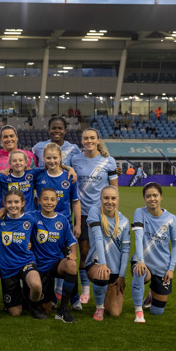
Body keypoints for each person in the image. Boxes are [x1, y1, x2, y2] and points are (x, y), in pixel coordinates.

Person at [68, 128, 118, 308]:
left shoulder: (108, 161)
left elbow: (114, 190)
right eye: (85, 138)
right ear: (82, 141)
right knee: (84, 252)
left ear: (98, 140)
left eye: (92, 138)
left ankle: (107, 289)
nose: (89, 141)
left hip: (102, 213)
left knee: (103, 252)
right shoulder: (75, 159)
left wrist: (114, 216)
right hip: (81, 213)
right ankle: (86, 290)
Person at [131, 182, 176, 323]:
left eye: (155, 195)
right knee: (139, 271)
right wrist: (140, 260)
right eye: (148, 196)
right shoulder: (139, 213)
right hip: (143, 262)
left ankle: (151, 294)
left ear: (161, 197)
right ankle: (139, 312)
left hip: (162, 266)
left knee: (157, 312)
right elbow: (138, 237)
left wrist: (171, 269)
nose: (152, 199)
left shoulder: (171, 218)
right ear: (144, 198)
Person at [32, 188, 79, 323]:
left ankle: (63, 310)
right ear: (39, 201)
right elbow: (16, 216)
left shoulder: (62, 219)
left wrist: (73, 253)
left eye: (52, 199)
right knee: (46, 310)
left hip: (54, 264)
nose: (49, 202)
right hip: (38, 266)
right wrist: (3, 210)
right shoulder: (33, 216)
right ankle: (43, 295)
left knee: (71, 265)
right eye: (45, 199)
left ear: (57, 201)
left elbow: (71, 241)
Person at [0, 189, 45, 319]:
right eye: (10, 202)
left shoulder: (30, 219)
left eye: (16, 202)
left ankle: (34, 306)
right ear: (4, 204)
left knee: (36, 285)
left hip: (25, 262)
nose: (13, 205)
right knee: (15, 313)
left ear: (23, 203)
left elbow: (40, 236)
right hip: (7, 266)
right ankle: (20, 295)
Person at [85, 186, 130, 321]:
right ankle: (99, 307)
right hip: (96, 264)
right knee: (102, 273)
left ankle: (108, 288)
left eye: (113, 198)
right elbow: (98, 238)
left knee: (115, 312)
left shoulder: (124, 221)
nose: (109, 201)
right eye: (106, 198)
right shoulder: (94, 211)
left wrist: (121, 276)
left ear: (118, 200)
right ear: (101, 199)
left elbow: (126, 250)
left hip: (115, 270)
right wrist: (103, 264)